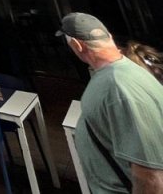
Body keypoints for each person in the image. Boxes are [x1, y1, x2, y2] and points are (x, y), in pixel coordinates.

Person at [58, 12, 163, 192]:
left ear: (77, 45)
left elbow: (150, 174)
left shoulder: (119, 88)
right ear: (109, 37)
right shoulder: (125, 74)